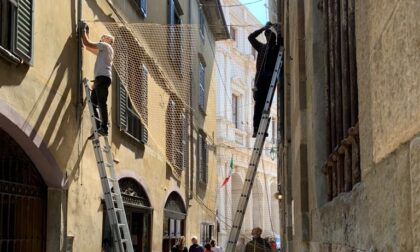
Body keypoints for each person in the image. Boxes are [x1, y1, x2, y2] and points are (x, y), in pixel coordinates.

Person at [80, 21, 115, 139]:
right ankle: (99, 126)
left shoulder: (106, 46)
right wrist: (86, 35)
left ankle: (104, 128)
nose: (102, 38)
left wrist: (83, 29)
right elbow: (89, 47)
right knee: (94, 103)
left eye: (104, 38)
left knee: (101, 103)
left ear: (109, 41)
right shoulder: (103, 51)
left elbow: (87, 42)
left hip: (102, 78)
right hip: (101, 79)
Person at [248, 22, 283, 138]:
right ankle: (256, 128)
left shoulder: (276, 48)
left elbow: (281, 42)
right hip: (260, 79)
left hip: (269, 79)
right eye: (267, 35)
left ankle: (262, 129)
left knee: (265, 106)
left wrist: (278, 31)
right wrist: (263, 28)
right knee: (259, 105)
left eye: (270, 35)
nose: (269, 37)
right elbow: (250, 37)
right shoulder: (262, 47)